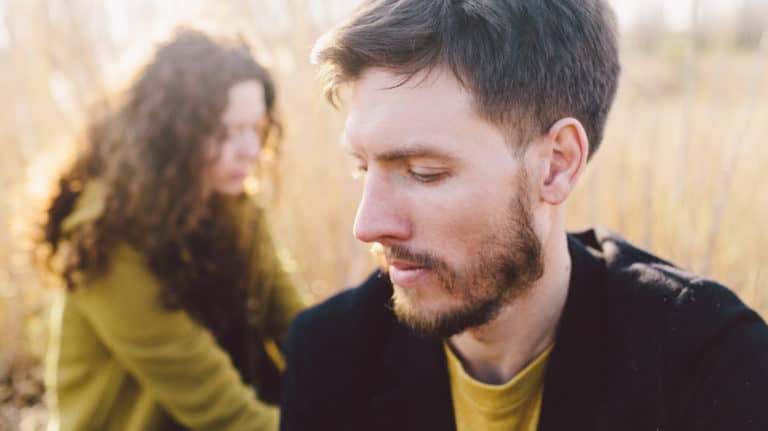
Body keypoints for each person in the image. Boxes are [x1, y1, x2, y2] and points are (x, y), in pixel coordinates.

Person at [280, 1, 768, 430]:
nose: (367, 225)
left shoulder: (706, 361)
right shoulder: (331, 355)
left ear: (556, 165)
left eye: (425, 172)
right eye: (363, 167)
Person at [39, 30, 304, 431]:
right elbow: (221, 410)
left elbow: (298, 328)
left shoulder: (236, 207)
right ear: (173, 135)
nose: (251, 149)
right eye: (227, 132)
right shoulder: (105, 237)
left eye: (256, 127)